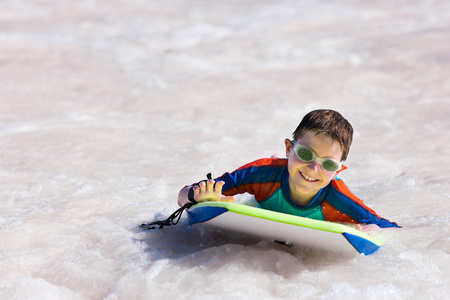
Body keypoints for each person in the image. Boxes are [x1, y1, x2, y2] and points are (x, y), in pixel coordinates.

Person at [177, 109, 400, 229]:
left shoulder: (339, 198)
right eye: (305, 154)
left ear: (338, 171)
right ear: (288, 148)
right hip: (276, 173)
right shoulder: (261, 174)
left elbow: (387, 228)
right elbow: (182, 195)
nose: (313, 168)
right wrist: (198, 196)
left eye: (328, 164)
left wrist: (366, 230)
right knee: (274, 169)